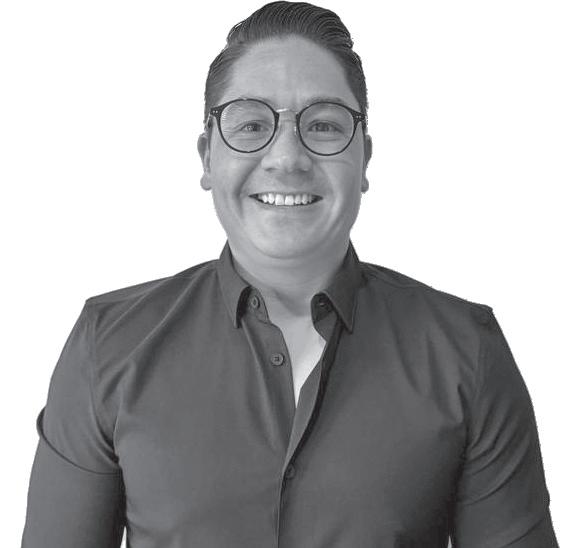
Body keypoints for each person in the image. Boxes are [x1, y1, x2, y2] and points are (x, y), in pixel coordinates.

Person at [21, 2, 559, 547]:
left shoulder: (466, 351)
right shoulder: (108, 345)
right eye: (252, 125)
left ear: (364, 159)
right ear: (207, 157)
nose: (286, 158)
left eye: (322, 125)